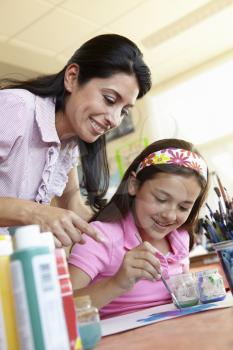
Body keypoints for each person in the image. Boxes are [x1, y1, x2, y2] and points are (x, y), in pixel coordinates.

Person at [0, 34, 151, 247]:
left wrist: (131, 231)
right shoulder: (15, 108)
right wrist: (34, 213)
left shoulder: (67, 145)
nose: (114, 120)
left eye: (124, 111)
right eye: (109, 99)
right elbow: (46, 213)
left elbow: (73, 205)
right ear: (72, 77)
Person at [68, 138, 209, 318]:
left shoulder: (180, 237)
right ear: (134, 185)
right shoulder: (99, 237)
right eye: (161, 199)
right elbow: (59, 308)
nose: (170, 215)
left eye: (183, 207)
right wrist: (117, 283)